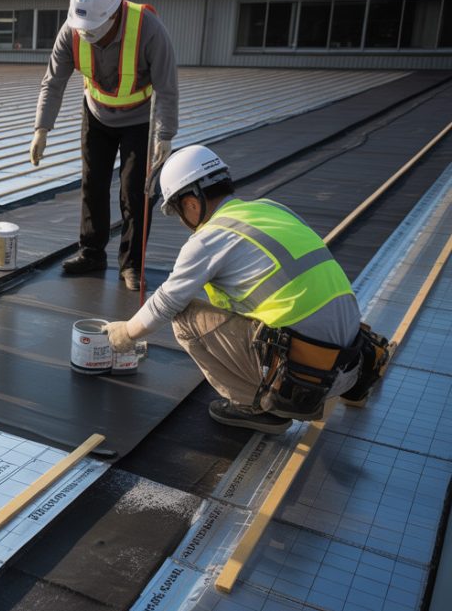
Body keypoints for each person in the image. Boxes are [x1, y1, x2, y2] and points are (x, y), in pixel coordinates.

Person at [103, 145, 392, 434]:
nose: (183, 220)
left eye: (179, 210)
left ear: (191, 202)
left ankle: (254, 407)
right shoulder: (271, 209)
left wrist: (127, 332)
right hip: (351, 363)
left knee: (185, 316)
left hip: (304, 380)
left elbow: (166, 302)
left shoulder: (209, 239)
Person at [30, 0, 179, 290]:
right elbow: (53, 82)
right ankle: (92, 253)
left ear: (114, 14)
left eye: (93, 28)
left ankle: (132, 265)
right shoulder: (72, 31)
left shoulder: (148, 28)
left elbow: (167, 87)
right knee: (92, 184)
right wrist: (42, 128)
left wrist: (164, 135)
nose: (86, 34)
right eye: (81, 27)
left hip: (139, 120)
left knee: (136, 193)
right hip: (96, 114)